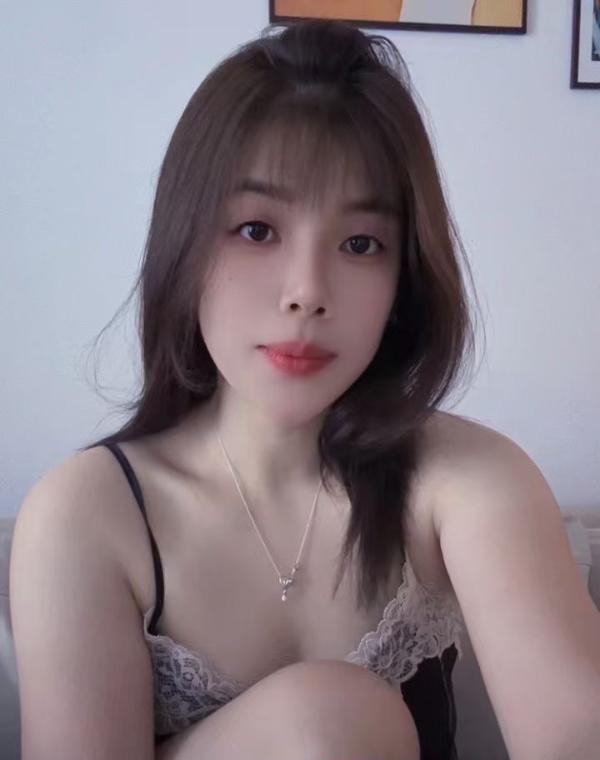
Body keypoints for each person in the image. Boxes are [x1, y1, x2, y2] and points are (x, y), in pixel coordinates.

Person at [10, 17, 600, 760]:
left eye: (360, 244)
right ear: (184, 245)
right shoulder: (87, 515)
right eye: (257, 230)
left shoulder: (465, 479)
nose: (308, 292)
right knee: (329, 720)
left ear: (403, 282)